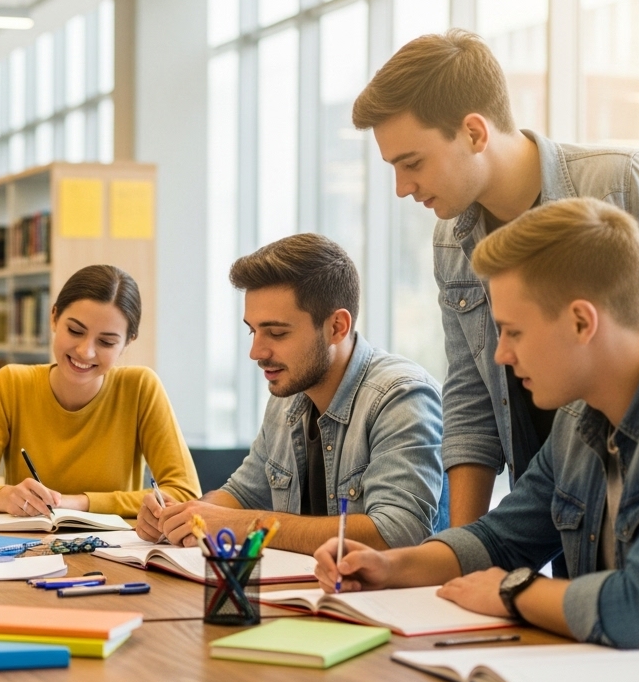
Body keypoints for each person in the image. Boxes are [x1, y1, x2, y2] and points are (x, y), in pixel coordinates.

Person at [313, 198, 639, 682]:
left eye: (513, 332)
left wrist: (515, 591)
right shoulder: (580, 415)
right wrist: (390, 566)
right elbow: (502, 539)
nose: (501, 355)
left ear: (582, 322)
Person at [351, 29, 639, 527]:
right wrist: (460, 551)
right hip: (559, 514)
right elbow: (472, 402)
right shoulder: (451, 241)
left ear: (474, 133)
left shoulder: (624, 185)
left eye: (412, 163)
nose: (402, 188)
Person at [138, 234, 445, 555]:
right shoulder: (286, 397)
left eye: (276, 333)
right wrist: (183, 515)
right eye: (253, 330)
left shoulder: (401, 396)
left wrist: (245, 525)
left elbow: (397, 533)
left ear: (337, 327)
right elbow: (241, 495)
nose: (256, 352)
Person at [0, 265, 200, 518]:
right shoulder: (12, 384)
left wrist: (79, 503)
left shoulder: (140, 387)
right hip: (27, 545)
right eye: (75, 331)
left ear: (127, 342)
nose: (86, 351)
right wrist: (4, 497)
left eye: (106, 342)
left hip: (114, 546)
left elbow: (185, 494)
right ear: (54, 317)